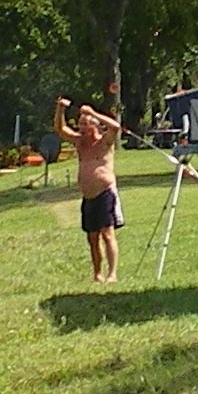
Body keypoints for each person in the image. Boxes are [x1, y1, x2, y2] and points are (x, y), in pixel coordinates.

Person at [54, 90, 126, 284]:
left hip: (105, 193)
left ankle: (112, 274)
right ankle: (97, 273)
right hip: (88, 197)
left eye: (86, 124)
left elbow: (116, 126)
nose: (82, 127)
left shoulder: (105, 142)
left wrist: (93, 113)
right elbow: (60, 130)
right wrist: (60, 109)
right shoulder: (79, 142)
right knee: (92, 238)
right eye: (81, 123)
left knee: (107, 234)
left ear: (95, 125)